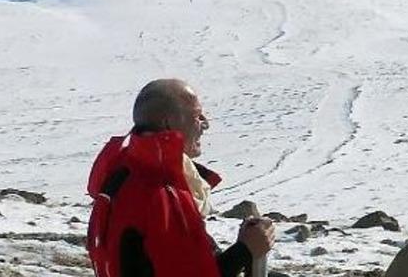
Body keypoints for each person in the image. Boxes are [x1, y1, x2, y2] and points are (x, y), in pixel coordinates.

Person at [86, 78, 275, 277]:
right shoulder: (158, 192)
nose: (206, 124)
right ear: (168, 123)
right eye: (197, 116)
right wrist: (245, 250)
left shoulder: (126, 175)